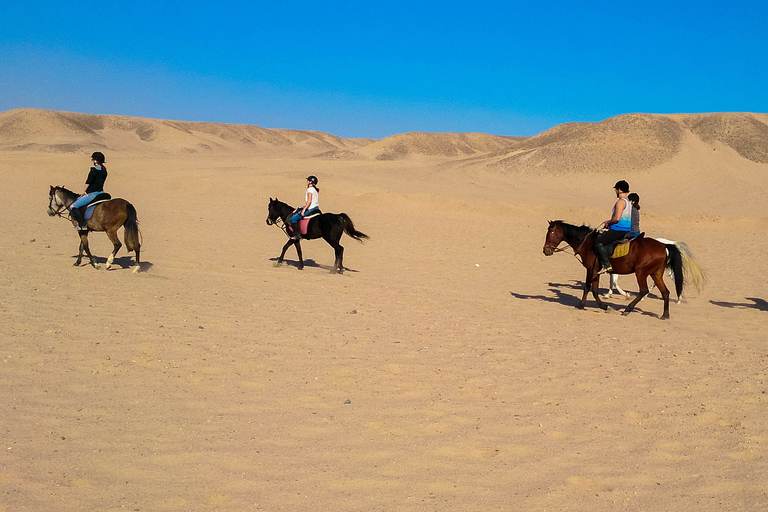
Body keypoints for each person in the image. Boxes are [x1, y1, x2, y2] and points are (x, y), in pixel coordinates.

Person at [594, 180, 631, 274]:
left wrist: (608, 222)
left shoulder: (620, 202)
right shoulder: (628, 202)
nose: (615, 192)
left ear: (619, 190)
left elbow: (617, 218)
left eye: (616, 190)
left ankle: (607, 265)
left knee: (598, 242)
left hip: (618, 229)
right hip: (625, 230)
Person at [69, 152, 108, 230]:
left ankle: (82, 225)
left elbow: (88, 182)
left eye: (93, 159)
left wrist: (84, 191)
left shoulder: (93, 170)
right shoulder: (104, 171)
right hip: (101, 193)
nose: (92, 161)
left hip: (92, 194)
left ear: (96, 161)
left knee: (73, 206)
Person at [289, 175, 320, 240]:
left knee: (293, 219)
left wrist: (304, 209)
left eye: (308, 180)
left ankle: (297, 235)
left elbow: (309, 201)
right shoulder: (314, 189)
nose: (307, 182)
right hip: (316, 208)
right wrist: (303, 206)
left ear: (311, 182)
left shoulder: (310, 190)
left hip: (310, 209)